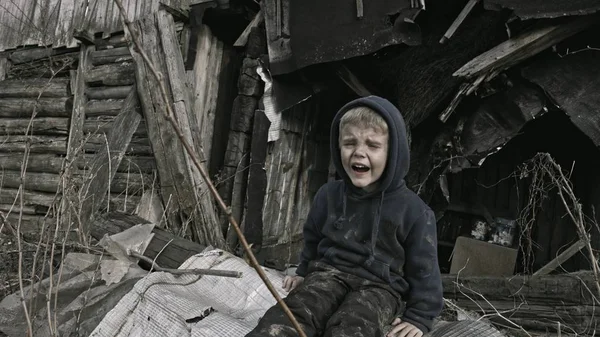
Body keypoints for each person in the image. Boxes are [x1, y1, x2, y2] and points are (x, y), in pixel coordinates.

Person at [246, 96, 443, 337]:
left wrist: (420, 317)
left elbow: (425, 271)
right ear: (338, 146)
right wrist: (304, 272)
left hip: (380, 289)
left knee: (354, 324)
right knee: (292, 312)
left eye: (373, 145)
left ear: (393, 152)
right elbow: (313, 239)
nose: (359, 153)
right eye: (350, 143)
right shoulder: (328, 195)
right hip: (327, 275)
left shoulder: (415, 212)